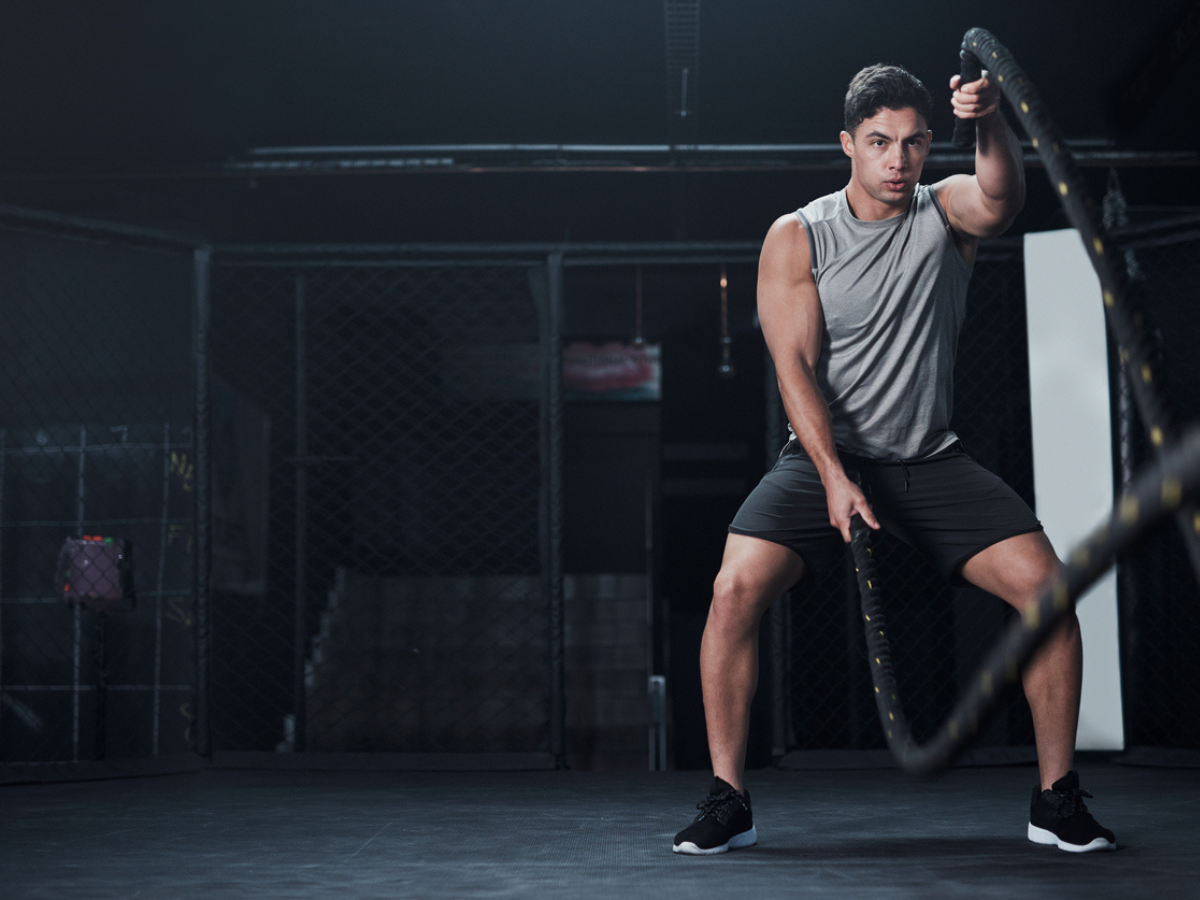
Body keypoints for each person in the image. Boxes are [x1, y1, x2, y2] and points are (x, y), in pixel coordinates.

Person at [671, 63, 1116, 856]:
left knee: (1048, 593)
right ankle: (727, 797)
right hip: (821, 460)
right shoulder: (798, 235)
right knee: (733, 591)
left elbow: (1004, 199)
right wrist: (835, 476)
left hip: (930, 462)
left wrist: (988, 122)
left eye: (914, 143)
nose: (898, 161)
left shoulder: (945, 211)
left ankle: (1055, 799)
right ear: (848, 144)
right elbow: (794, 369)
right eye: (879, 143)